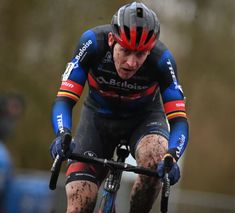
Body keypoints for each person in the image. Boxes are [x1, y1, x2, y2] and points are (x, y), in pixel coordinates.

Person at [50, 2, 189, 212]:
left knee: (155, 158)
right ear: (111, 40)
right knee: (79, 199)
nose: (131, 62)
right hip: (98, 120)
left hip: (144, 121)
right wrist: (62, 133)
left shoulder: (163, 60)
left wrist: (172, 156)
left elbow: (178, 120)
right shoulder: (92, 43)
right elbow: (64, 100)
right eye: (125, 50)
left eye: (140, 54)